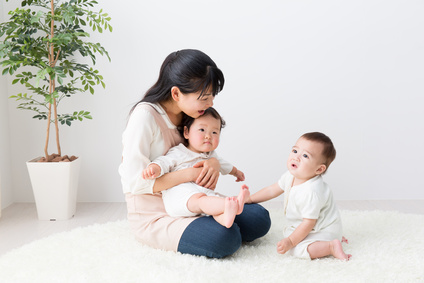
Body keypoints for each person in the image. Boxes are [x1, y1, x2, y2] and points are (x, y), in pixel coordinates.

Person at [119, 49, 270, 258]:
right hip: (156, 212)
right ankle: (213, 228)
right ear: (176, 94)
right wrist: (190, 174)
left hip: (194, 198)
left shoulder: (188, 112)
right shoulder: (144, 117)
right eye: (204, 97)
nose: (211, 104)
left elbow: (198, 151)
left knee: (259, 218)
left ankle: (213, 222)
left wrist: (214, 164)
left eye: (212, 96)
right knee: (225, 238)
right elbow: (134, 182)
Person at [248, 132, 351, 260]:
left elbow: (309, 223)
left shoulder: (311, 192)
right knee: (291, 236)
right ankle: (335, 238)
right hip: (309, 226)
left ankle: (331, 245)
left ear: (319, 169)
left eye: (305, 155)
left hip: (322, 230)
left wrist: (290, 242)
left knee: (295, 249)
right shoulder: (291, 176)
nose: (296, 157)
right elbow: (272, 189)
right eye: (295, 151)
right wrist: (251, 199)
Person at [142, 107, 250, 228]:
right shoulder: (180, 151)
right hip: (179, 197)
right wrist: (154, 168)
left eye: (214, 132)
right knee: (202, 200)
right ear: (186, 132)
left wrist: (236, 172)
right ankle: (233, 204)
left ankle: (226, 218)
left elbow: (226, 166)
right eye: (202, 130)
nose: (208, 136)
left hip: (202, 195)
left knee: (212, 202)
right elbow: (164, 162)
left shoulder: (212, 156)